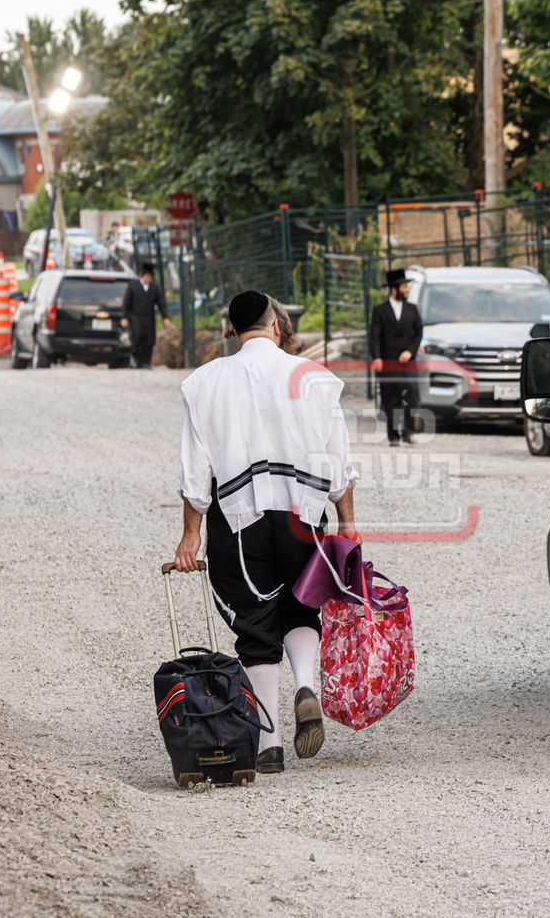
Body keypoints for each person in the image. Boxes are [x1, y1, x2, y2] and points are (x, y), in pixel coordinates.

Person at [175, 290, 359, 774]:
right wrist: (348, 524)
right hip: (305, 513)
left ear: (232, 331)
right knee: (301, 604)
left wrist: (190, 535)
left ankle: (269, 742)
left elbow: (196, 473)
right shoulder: (315, 379)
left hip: (240, 517)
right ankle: (306, 687)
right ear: (276, 325)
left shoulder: (204, 382)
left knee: (256, 622)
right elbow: (339, 462)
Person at [369, 268, 423, 446]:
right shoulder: (380, 310)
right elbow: (375, 337)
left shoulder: (412, 309)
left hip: (407, 363)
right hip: (388, 362)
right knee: (390, 398)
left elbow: (418, 334)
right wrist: (376, 357)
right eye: (404, 286)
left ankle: (409, 431)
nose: (407, 289)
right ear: (394, 289)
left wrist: (410, 351)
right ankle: (393, 435)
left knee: (410, 397)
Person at [121, 264, 170, 368]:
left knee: (149, 341)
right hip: (136, 318)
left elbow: (161, 303)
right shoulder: (133, 286)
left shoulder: (154, 287)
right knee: (137, 339)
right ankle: (136, 361)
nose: (148, 278)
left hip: (149, 318)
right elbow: (126, 303)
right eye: (147, 276)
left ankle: (146, 362)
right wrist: (124, 317)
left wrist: (165, 317)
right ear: (143, 276)